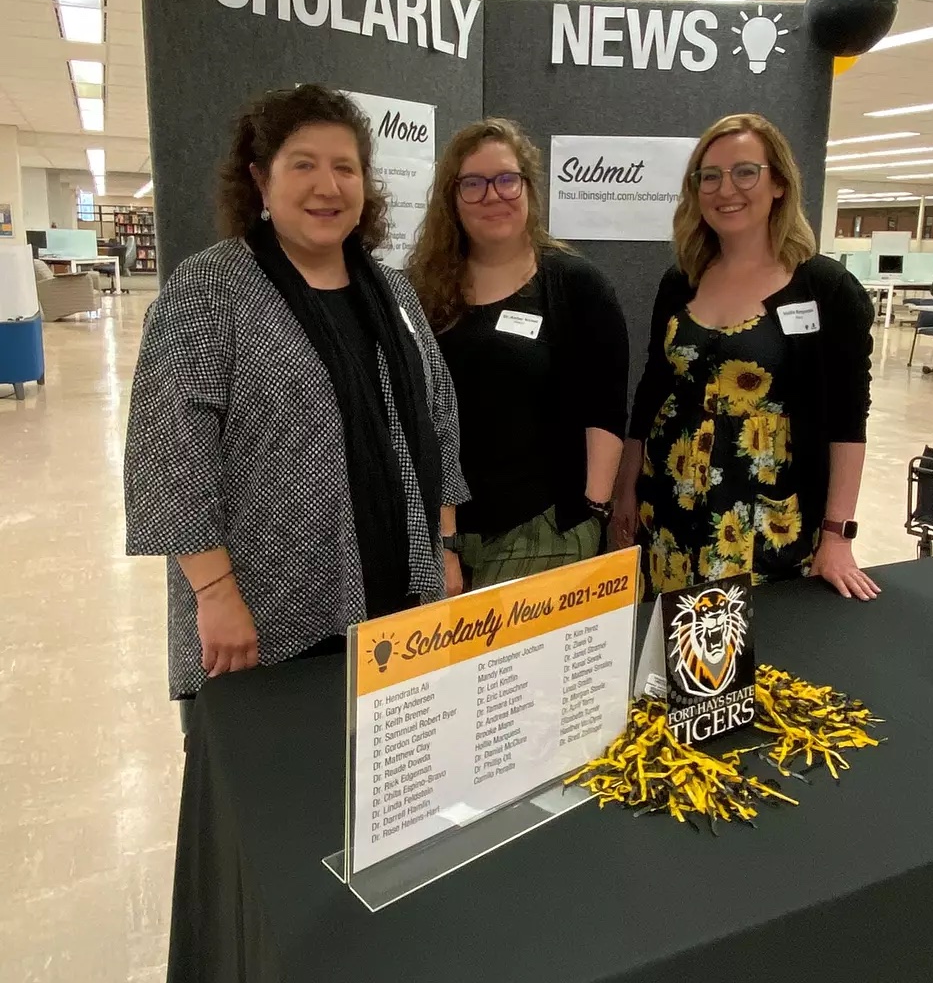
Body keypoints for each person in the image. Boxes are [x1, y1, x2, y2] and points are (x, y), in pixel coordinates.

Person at [124, 84, 468, 704]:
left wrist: (441, 544)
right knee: (279, 782)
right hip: (263, 607)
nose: (327, 186)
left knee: (386, 778)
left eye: (345, 167)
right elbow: (169, 453)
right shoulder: (211, 287)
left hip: (398, 592)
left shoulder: (393, 292)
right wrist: (214, 592)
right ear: (260, 180)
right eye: (303, 164)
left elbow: (439, 418)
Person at [614, 113, 879, 602]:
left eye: (744, 172)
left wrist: (838, 535)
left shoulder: (825, 287)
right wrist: (625, 490)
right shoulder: (681, 280)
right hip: (670, 507)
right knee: (674, 661)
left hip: (768, 514)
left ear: (778, 182)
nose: (725, 189)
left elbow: (847, 419)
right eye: (709, 176)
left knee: (764, 663)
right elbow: (653, 389)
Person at [408, 117, 629, 589]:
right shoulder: (421, 292)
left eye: (507, 179)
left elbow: (606, 408)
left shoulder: (576, 285)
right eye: (473, 183)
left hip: (543, 531)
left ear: (528, 188)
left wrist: (591, 509)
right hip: (439, 533)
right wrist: (438, 537)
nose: (493, 195)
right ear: (452, 197)